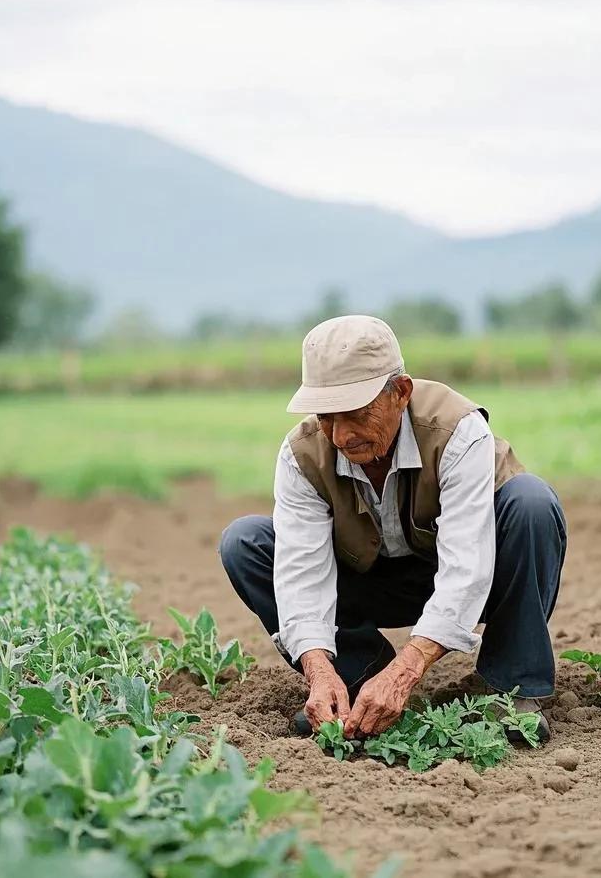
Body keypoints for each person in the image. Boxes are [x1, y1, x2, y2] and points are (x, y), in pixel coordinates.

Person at [219, 314, 567, 743]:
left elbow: (467, 566)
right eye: (327, 418)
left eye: (355, 414)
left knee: (531, 503)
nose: (341, 435)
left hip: (469, 573)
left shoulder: (458, 431)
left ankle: (510, 689)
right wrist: (318, 669)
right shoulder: (302, 454)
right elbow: (302, 575)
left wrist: (405, 672)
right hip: (363, 581)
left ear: (400, 393)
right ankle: (354, 681)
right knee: (245, 542)